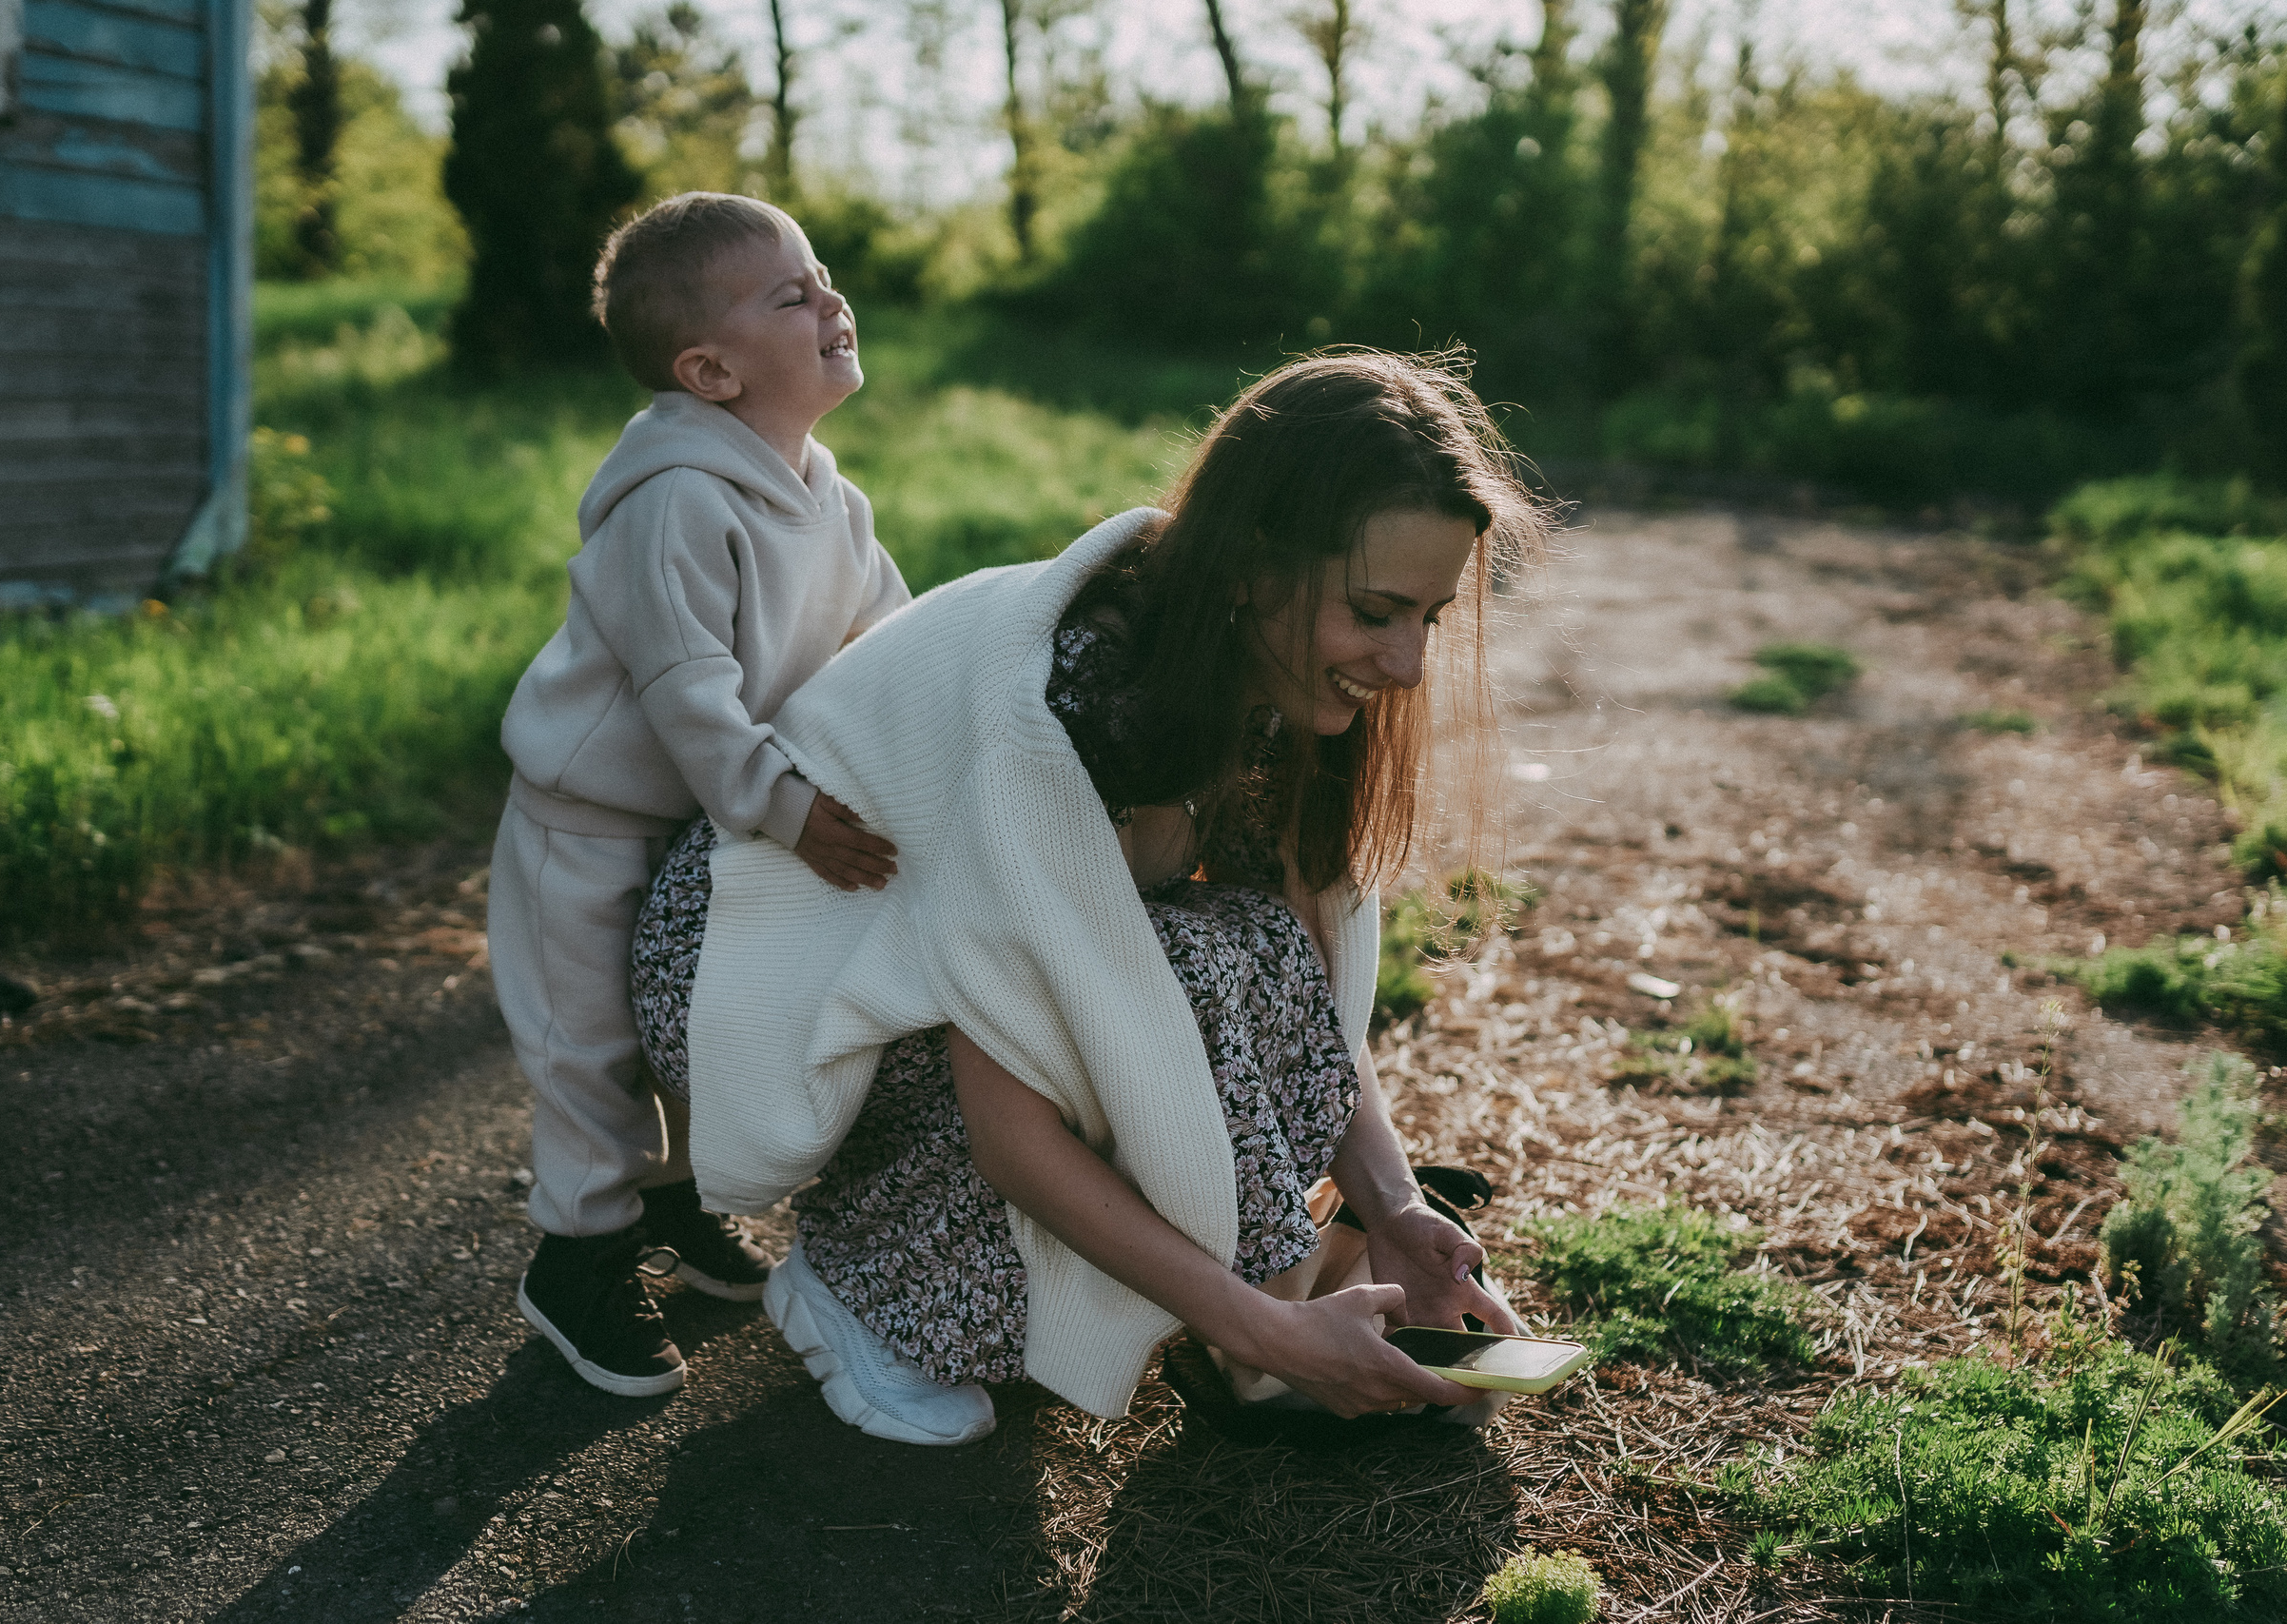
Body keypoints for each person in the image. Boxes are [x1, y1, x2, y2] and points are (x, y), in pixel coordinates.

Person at [633, 351, 1548, 1443]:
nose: (1405, 665)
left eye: (1430, 619)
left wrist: (1393, 1206)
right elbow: (1013, 1125)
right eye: (1375, 611)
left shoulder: (1267, 676)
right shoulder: (1081, 702)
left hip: (906, 953)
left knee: (1238, 949)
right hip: (753, 965)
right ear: (1253, 567)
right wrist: (1256, 1327)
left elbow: (1309, 993)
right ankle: (862, 1291)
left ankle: (1259, 1292)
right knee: (1164, 985)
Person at [489, 192, 912, 1399]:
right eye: (793, 294)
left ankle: (667, 1208)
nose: (831, 299)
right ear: (710, 369)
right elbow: (690, 695)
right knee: (591, 1050)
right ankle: (577, 1258)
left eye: (822, 275)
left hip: (698, 822)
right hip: (585, 825)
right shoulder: (675, 499)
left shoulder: (830, 496)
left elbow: (891, 640)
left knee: (690, 1028)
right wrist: (787, 811)